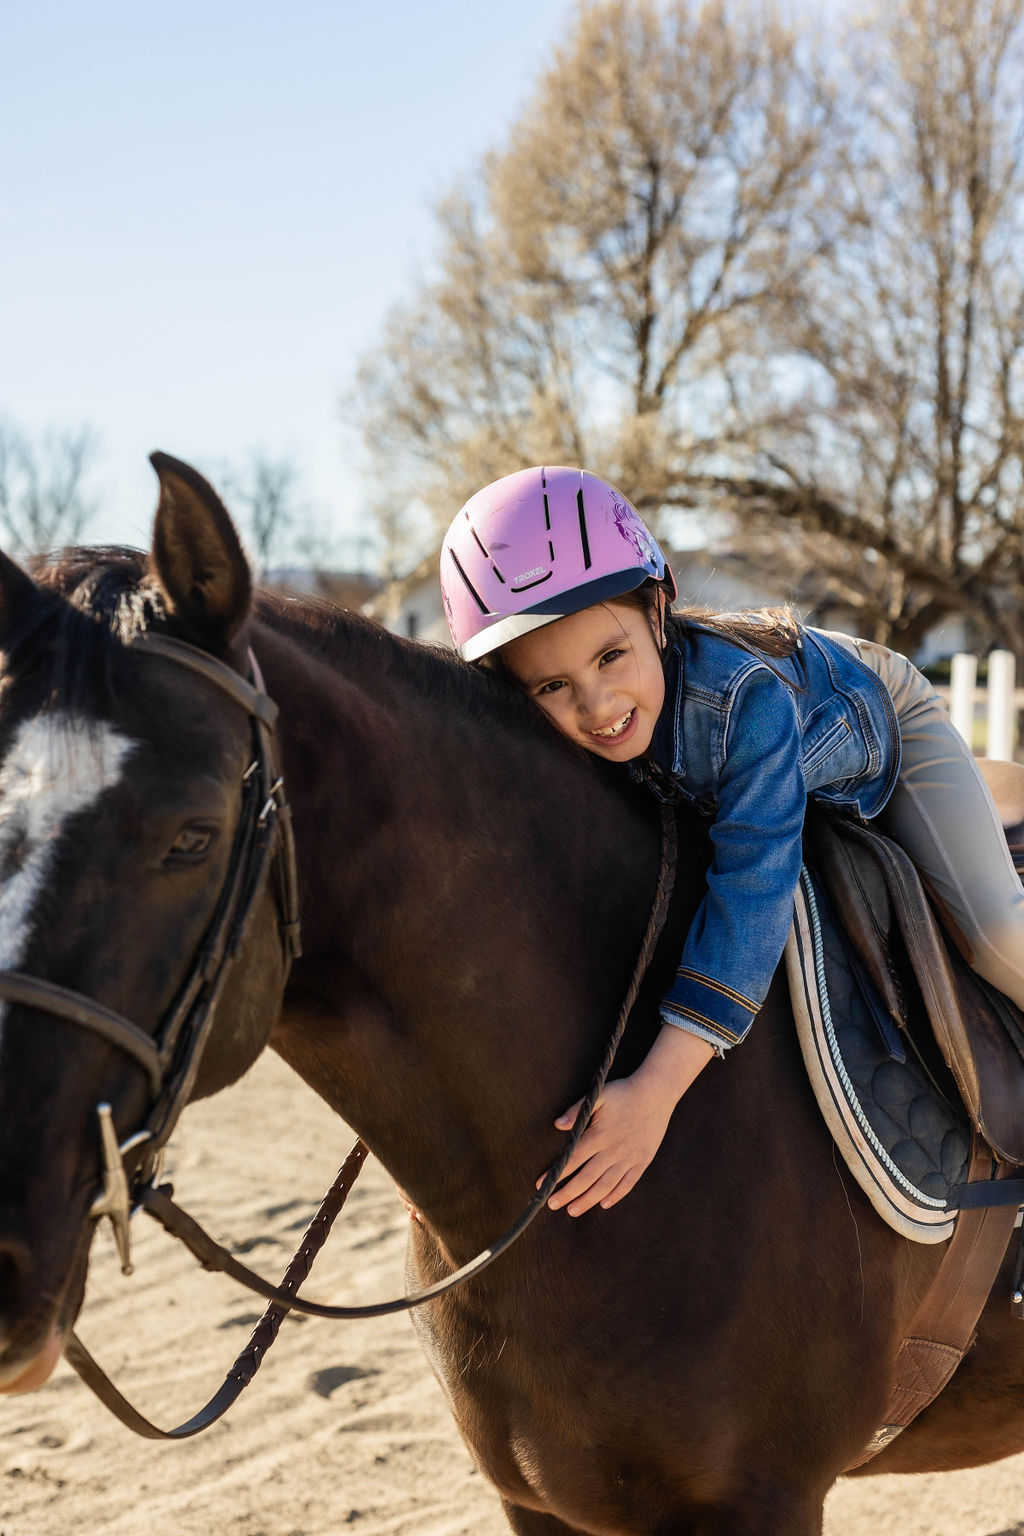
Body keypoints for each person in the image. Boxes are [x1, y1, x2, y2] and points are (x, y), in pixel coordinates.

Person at [439, 466, 1024, 1218]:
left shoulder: (742, 703)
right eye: (551, 686)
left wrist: (653, 1095)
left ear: (657, 611)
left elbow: (754, 888)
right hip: (769, 731)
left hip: (881, 712)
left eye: (610, 657)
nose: (597, 706)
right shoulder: (574, 722)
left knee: (995, 927)